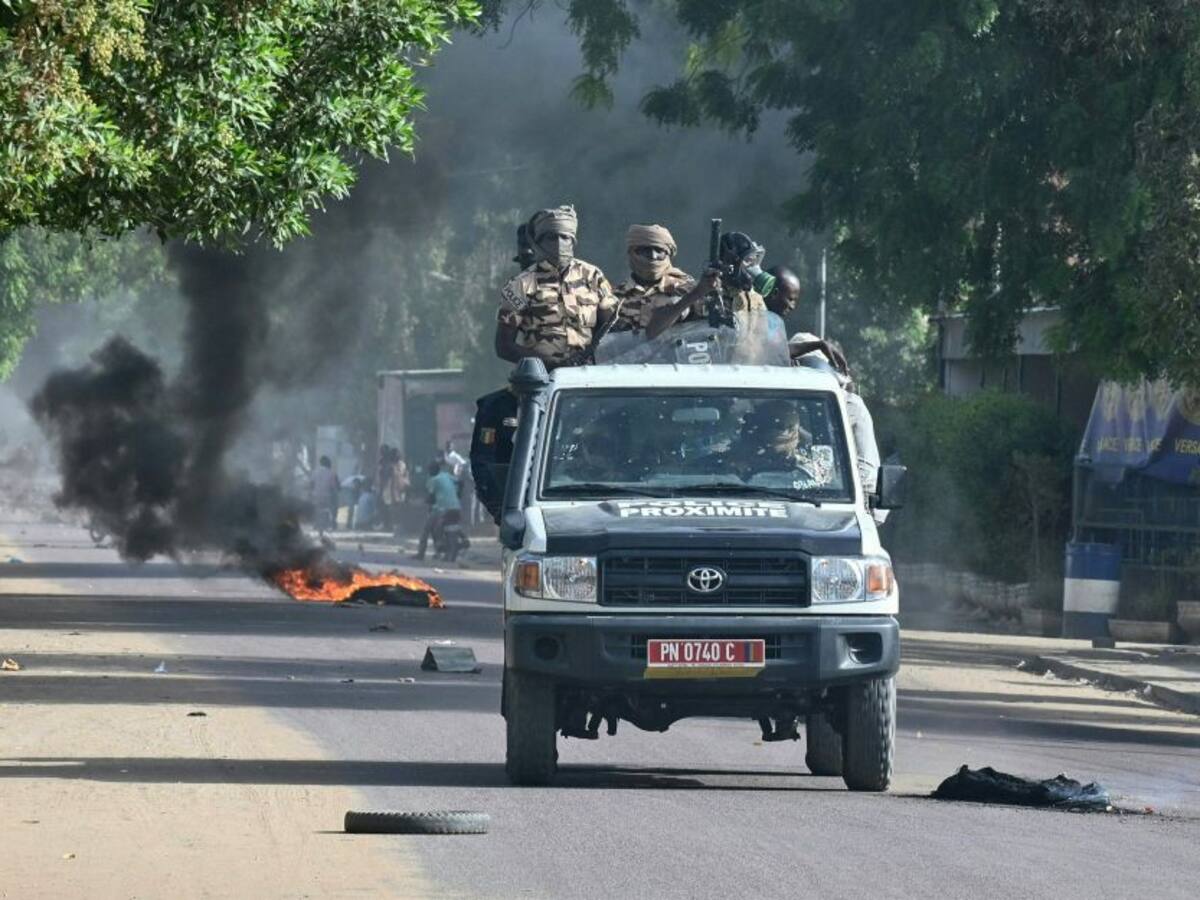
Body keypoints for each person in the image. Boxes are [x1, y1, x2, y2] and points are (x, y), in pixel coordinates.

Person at [494, 204, 618, 370]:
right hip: (543, 379)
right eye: (552, 238)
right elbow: (504, 346)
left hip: (591, 374)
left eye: (565, 237)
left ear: (573, 240)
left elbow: (611, 328)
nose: (559, 243)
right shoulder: (520, 284)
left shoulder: (593, 276)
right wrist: (552, 364)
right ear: (539, 242)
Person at [646, 230, 768, 338]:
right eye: (747, 261)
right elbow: (653, 331)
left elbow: (765, 341)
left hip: (743, 364)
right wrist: (697, 294)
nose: (753, 267)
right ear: (728, 263)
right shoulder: (697, 291)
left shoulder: (755, 298)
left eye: (755, 260)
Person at [609, 224, 700, 334]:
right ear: (632, 253)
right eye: (645, 250)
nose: (653, 256)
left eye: (659, 251)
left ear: (668, 254)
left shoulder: (688, 290)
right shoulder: (616, 297)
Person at [413, 460, 462, 561]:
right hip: (456, 506)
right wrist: (458, 495)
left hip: (442, 508)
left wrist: (421, 502)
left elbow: (431, 497)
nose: (429, 472)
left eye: (429, 470)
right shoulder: (446, 475)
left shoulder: (433, 480)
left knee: (426, 529)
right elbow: (460, 482)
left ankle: (421, 553)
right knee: (442, 528)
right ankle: (444, 550)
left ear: (431, 470)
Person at [310, 455, 339, 534]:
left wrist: (312, 492)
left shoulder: (314, 472)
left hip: (315, 495)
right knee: (328, 509)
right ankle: (327, 524)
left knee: (316, 509)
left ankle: (316, 524)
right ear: (328, 463)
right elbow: (333, 487)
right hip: (327, 496)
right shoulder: (331, 473)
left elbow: (311, 484)